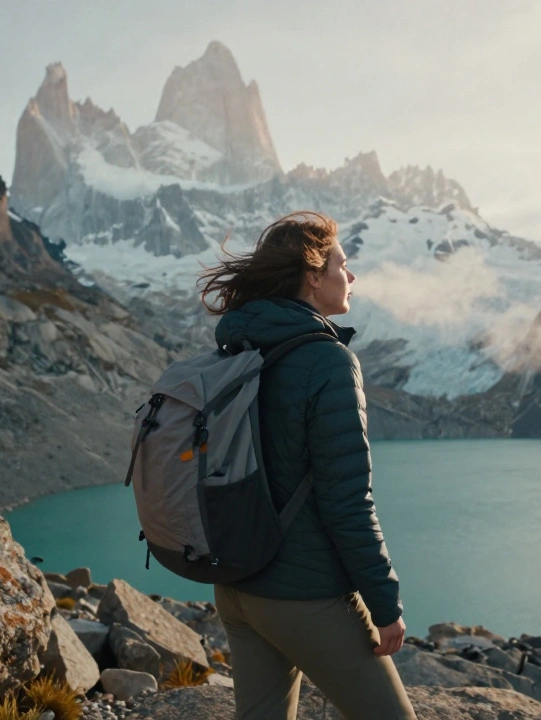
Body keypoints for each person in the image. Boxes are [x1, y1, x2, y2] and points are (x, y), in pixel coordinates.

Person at [198, 211, 416, 720]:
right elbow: (347, 499)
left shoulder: (239, 344)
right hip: (301, 591)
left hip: (236, 586)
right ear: (314, 276)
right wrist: (385, 606)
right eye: (343, 263)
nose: (352, 276)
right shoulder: (327, 360)